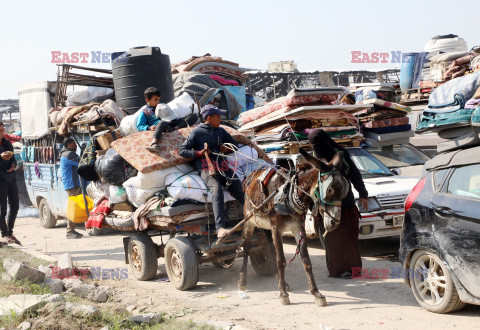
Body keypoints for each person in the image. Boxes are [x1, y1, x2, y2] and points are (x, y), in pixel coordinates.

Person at [308, 129, 369, 279]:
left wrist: (363, 194)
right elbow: (310, 185)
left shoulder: (341, 153)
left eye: (318, 143)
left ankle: (354, 269)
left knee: (350, 236)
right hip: (327, 208)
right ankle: (339, 270)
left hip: (346, 203)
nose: (316, 147)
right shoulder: (314, 160)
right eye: (313, 145)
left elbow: (354, 173)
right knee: (334, 239)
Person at [179, 105, 245, 238]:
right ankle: (220, 228)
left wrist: (227, 149)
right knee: (217, 190)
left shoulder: (221, 131)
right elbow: (182, 150)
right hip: (206, 169)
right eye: (218, 117)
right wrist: (199, 153)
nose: (220, 119)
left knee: (237, 186)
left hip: (223, 166)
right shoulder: (197, 133)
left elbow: (234, 145)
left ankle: (252, 215)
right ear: (209, 118)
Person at [0, 122, 21, 245]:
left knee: (15, 205)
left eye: (2, 130)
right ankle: (4, 234)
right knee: (2, 209)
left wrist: (13, 165)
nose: (1, 132)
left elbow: (13, 158)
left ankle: (10, 231)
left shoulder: (7, 143)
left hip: (11, 177)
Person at [60, 138, 83, 239]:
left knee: (76, 207)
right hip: (72, 185)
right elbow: (82, 162)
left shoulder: (65, 153)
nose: (75, 145)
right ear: (69, 145)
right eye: (74, 143)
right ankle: (70, 231)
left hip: (71, 184)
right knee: (73, 208)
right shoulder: (69, 154)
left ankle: (72, 230)